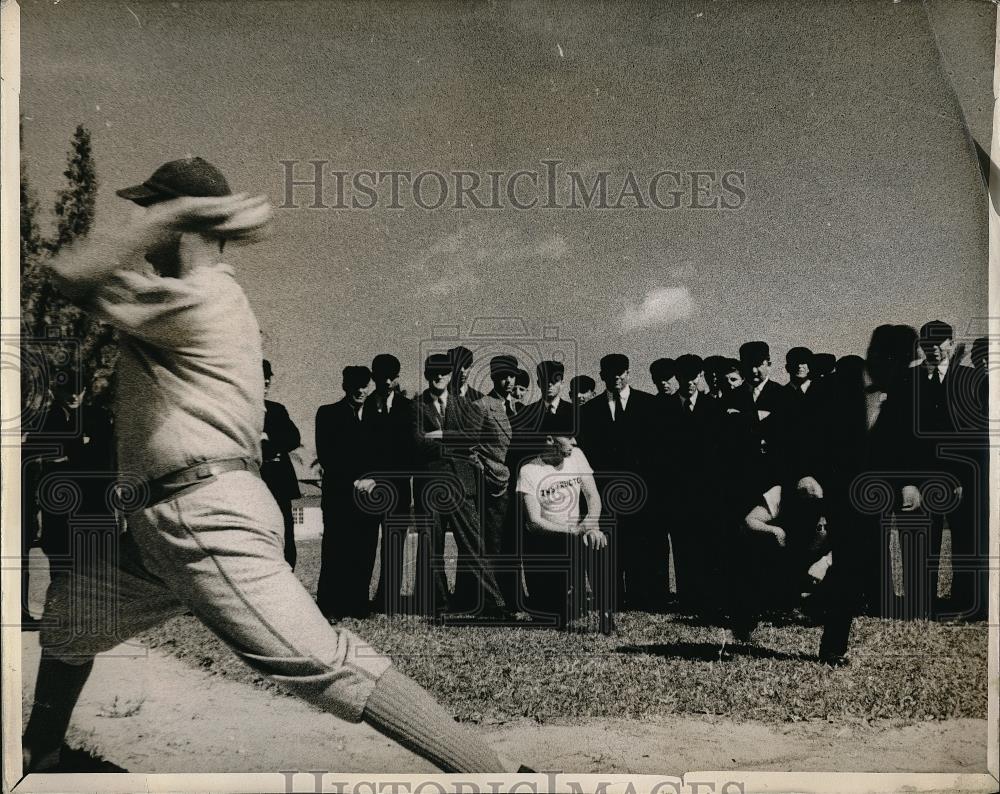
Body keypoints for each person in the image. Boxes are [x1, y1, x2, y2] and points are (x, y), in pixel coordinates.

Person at [23, 157, 528, 775]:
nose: (141, 225)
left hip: (205, 516)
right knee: (73, 621)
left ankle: (503, 779)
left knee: (324, 662)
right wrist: (181, 218)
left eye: (150, 210)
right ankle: (44, 753)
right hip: (166, 520)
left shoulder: (202, 294)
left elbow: (68, 272)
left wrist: (175, 214)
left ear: (181, 220)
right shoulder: (187, 293)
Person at [818, 325, 927, 663]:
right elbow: (805, 435)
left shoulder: (901, 392)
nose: (907, 370)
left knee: (851, 565)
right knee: (794, 552)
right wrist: (805, 474)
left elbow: (905, 445)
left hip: (869, 498)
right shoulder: (832, 388)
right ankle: (746, 603)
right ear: (882, 357)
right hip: (821, 490)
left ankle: (833, 648)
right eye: (904, 362)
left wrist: (908, 482)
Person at [412, 353, 506, 621]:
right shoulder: (416, 406)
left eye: (442, 372)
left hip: (462, 484)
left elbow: (472, 439)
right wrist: (449, 440)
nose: (437, 377)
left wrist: (439, 435)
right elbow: (416, 444)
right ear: (427, 375)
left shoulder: (464, 405)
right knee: (432, 547)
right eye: (432, 372)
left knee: (474, 545)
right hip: (430, 486)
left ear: (450, 375)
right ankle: (438, 606)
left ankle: (491, 604)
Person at [578, 353, 659, 611]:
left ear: (628, 373)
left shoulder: (649, 404)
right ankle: (610, 595)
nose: (617, 376)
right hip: (605, 492)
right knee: (609, 544)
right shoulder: (588, 411)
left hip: (642, 491)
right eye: (611, 372)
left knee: (639, 543)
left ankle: (641, 595)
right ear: (602, 376)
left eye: (621, 371)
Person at [915, 320, 980, 620]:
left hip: (960, 479)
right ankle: (921, 601)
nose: (934, 348)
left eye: (941, 342)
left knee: (965, 540)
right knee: (923, 539)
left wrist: (964, 478)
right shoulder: (910, 380)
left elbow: (976, 436)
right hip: (920, 479)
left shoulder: (970, 380)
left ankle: (964, 599)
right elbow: (904, 437)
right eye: (928, 343)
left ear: (952, 345)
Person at [517, 428, 611, 633]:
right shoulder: (529, 470)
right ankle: (563, 595)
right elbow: (534, 522)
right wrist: (573, 530)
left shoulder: (577, 455)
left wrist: (591, 525)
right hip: (545, 544)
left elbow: (593, 496)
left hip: (576, 535)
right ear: (549, 439)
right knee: (553, 617)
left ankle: (605, 610)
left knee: (597, 540)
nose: (573, 441)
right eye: (567, 437)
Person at [315, 366, 381, 619]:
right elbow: (327, 455)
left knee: (364, 549)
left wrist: (373, 479)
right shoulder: (328, 414)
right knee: (336, 549)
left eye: (365, 385)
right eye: (355, 385)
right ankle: (331, 605)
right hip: (339, 495)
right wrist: (354, 481)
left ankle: (358, 604)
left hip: (369, 495)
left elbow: (384, 454)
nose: (361, 391)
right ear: (345, 386)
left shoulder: (376, 417)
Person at [730, 480, 830, 642]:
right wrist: (774, 531)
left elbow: (847, 544)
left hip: (818, 558)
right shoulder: (780, 493)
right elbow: (750, 521)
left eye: (814, 502)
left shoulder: (831, 501)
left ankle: (812, 606)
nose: (809, 508)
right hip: (787, 553)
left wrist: (825, 562)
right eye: (804, 502)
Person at [364, 353, 415, 615]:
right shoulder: (365, 406)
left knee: (394, 544)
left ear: (396, 378)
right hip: (370, 489)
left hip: (398, 488)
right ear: (373, 377)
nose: (385, 382)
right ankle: (360, 597)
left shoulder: (409, 408)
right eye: (380, 376)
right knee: (366, 543)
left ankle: (388, 599)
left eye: (390, 377)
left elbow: (410, 450)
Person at [469, 355, 520, 615]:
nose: (508, 381)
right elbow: (470, 449)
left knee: (513, 544)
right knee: (494, 544)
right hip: (494, 487)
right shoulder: (481, 406)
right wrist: (488, 473)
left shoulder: (520, 407)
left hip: (518, 487)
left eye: (511, 375)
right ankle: (492, 602)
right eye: (502, 376)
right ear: (492, 378)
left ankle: (513, 598)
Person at [261, 359, 302, 569]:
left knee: (285, 534)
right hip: (254, 485)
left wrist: (268, 438)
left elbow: (293, 438)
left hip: (279, 486)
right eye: (260, 379)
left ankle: (288, 571)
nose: (265, 384)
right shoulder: (240, 412)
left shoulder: (277, 410)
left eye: (268, 380)